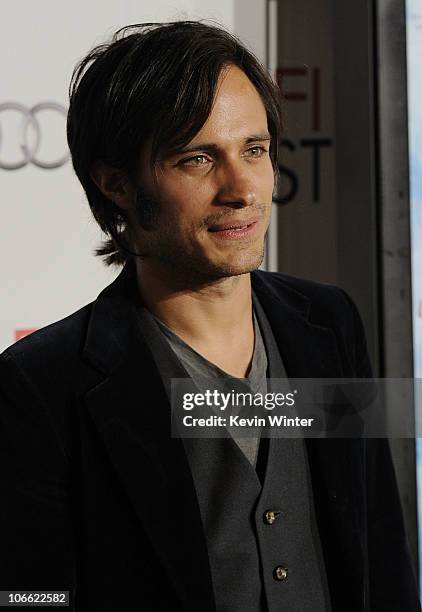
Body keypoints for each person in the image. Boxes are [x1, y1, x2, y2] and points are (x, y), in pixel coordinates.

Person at [0, 21, 419, 612]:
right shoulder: (43, 386)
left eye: (255, 149)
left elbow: (381, 552)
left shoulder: (329, 324)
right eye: (198, 159)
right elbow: (28, 596)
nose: (242, 187)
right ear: (117, 183)